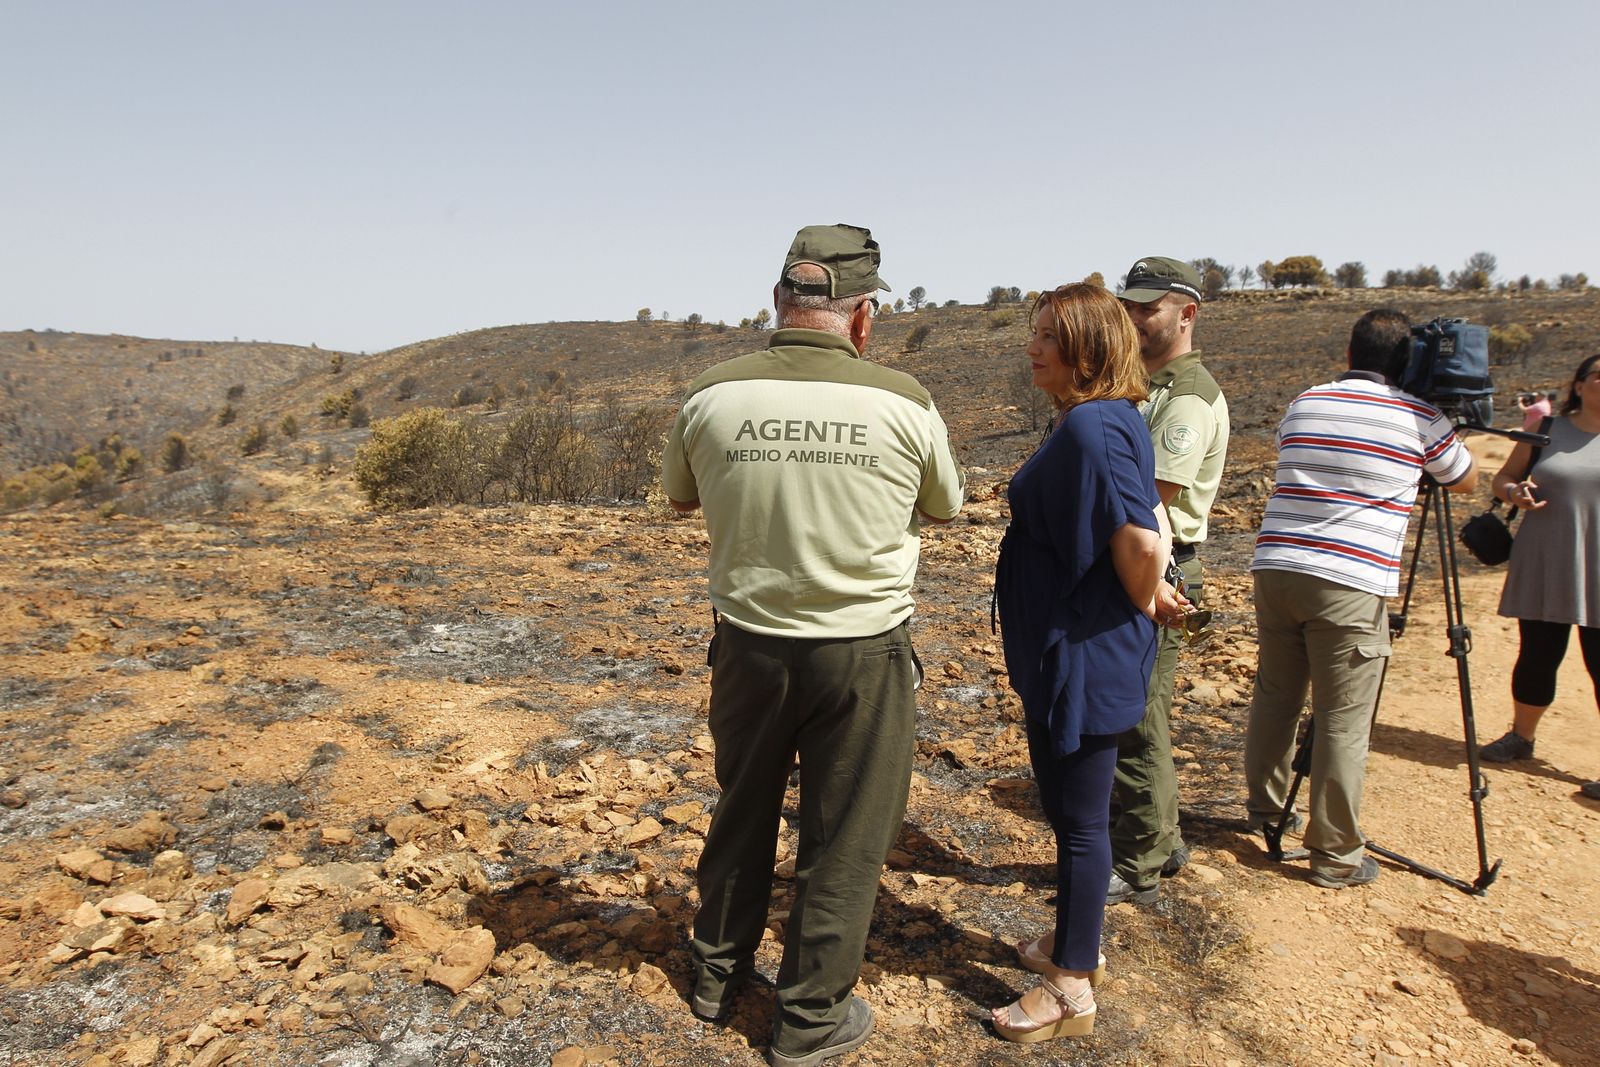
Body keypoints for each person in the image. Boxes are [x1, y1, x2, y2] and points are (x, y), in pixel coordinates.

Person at [660, 224, 965, 1067]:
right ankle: (808, 1019)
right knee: (844, 836)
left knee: (743, 808)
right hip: (862, 651)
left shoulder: (711, 393)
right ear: (864, 317)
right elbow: (944, 507)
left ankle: (716, 979)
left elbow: (680, 499)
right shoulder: (906, 401)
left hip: (749, 645)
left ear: (778, 304)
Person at [1244, 309, 1478, 889]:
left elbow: (1294, 450)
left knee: (1276, 695)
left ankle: (1267, 811)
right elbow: (1464, 479)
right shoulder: (1419, 417)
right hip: (1349, 581)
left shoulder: (1307, 400)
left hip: (1277, 567)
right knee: (1344, 719)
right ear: (1410, 361)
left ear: (1350, 352)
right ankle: (1335, 853)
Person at [991, 283, 1170, 1043]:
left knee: (1082, 822)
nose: (1032, 347)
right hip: (1073, 642)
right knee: (1073, 815)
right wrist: (1160, 586)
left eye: (1047, 337)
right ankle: (1072, 940)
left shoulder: (1094, 425)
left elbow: (1138, 536)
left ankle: (1070, 984)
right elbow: (1152, 510)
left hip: (1087, 650)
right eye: (1033, 333)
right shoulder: (1100, 417)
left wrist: (1152, 586)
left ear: (1088, 348)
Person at [1107, 256, 1231, 905]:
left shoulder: (1188, 394)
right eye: (1127, 305)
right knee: (1134, 708)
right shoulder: (1145, 384)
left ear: (1186, 313)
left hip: (1162, 565)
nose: (1132, 317)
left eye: (1146, 307)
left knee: (1139, 715)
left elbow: (1151, 489)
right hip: (1138, 557)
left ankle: (1141, 857)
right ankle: (1163, 834)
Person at [1478, 354, 1600, 798]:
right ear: (1580, 385)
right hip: (1547, 558)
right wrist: (1515, 491)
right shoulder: (1547, 431)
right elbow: (1504, 477)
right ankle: (1521, 738)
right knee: (1538, 653)